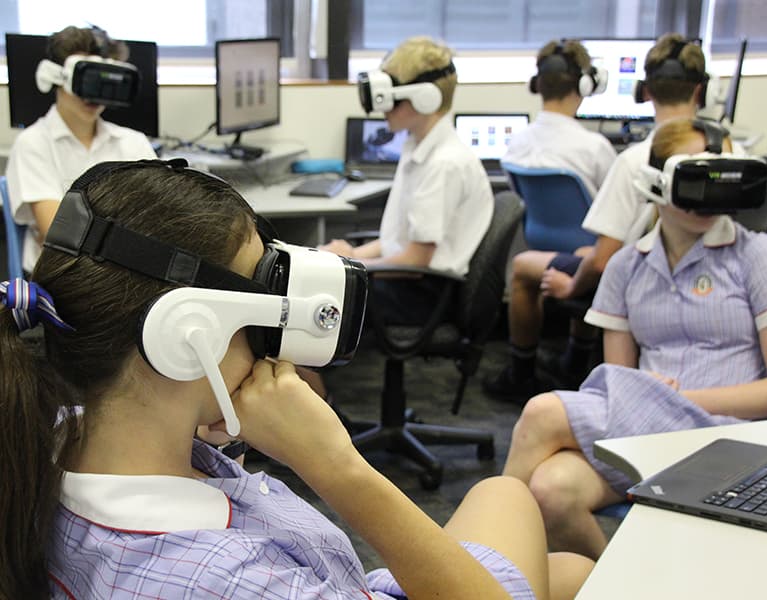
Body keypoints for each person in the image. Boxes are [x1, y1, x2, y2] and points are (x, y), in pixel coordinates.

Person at [0, 159, 594, 599]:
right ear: (188, 339)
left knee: (567, 569)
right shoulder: (230, 587)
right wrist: (337, 466)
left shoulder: (55, 436)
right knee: (511, 499)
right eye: (259, 300)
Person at [501, 117, 767, 561]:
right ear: (657, 183)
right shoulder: (625, 267)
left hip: (728, 438)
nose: (710, 198)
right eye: (698, 179)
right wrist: (651, 399)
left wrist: (686, 398)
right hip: (646, 433)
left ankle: (466, 568)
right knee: (550, 490)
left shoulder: (758, 257)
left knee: (544, 410)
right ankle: (608, 588)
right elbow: (619, 381)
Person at [485, 33, 712, 401]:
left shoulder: (632, 160)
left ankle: (523, 371)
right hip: (695, 281)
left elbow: (605, 252)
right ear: (699, 91)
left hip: (604, 266)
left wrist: (572, 286)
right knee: (591, 253)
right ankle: (575, 362)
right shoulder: (731, 156)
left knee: (542, 263)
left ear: (646, 91)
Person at [321, 36, 494, 326]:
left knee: (315, 303)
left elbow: (415, 262)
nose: (383, 106)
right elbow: (398, 241)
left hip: (425, 295)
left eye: (393, 97)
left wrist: (348, 267)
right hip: (409, 279)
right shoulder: (418, 146)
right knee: (314, 279)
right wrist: (347, 256)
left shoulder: (443, 164)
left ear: (425, 98)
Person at [483, 38, 616, 400]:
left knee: (526, 271)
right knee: (594, 241)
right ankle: (575, 360)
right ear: (584, 85)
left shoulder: (517, 144)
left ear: (538, 85)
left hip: (543, 250)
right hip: (588, 256)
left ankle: (522, 370)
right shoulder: (596, 148)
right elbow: (614, 216)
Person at [4, 25, 157, 274]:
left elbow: (157, 220)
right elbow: (62, 234)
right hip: (63, 281)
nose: (94, 95)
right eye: (86, 79)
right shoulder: (33, 144)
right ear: (54, 76)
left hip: (126, 276)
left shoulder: (133, 142)